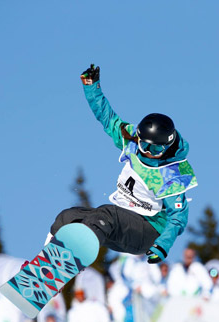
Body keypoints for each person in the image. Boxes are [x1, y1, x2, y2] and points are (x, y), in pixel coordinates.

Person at [47, 64, 197, 267]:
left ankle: (65, 263)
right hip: (122, 222)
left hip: (148, 231)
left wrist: (162, 246)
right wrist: (92, 87)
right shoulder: (132, 141)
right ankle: (45, 265)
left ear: (167, 147)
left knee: (106, 215)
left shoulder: (171, 173)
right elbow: (108, 119)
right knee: (69, 217)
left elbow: (178, 218)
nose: (147, 152)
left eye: (155, 150)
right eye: (144, 144)